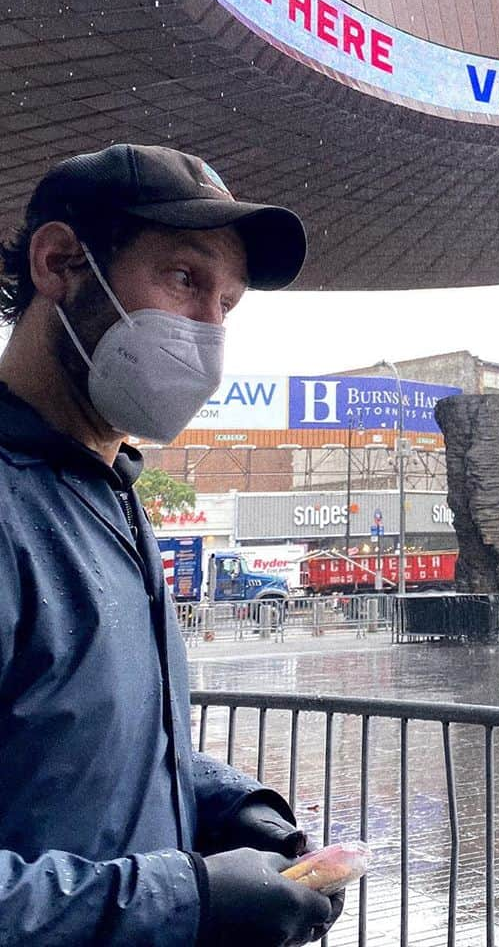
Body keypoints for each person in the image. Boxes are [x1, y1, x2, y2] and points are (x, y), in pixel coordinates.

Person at [0, 144, 342, 945]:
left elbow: (85, 753)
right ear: (59, 263)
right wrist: (189, 901)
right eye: (184, 279)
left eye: (229, 303)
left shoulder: (109, 494)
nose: (209, 333)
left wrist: (230, 806)